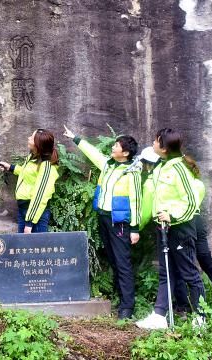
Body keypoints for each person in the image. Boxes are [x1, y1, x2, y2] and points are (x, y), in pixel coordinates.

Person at [63, 125, 141, 320]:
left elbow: (136, 200)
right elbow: (94, 154)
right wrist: (76, 138)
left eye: (116, 145)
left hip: (120, 222)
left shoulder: (132, 173)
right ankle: (120, 297)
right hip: (104, 218)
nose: (112, 147)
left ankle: (127, 307)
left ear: (125, 152)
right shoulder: (108, 164)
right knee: (114, 259)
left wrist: (135, 228)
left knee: (122, 262)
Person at [136, 128, 206, 330]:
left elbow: (192, 202)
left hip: (180, 229)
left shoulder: (180, 169)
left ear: (164, 148)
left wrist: (173, 216)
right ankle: (159, 316)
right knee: (165, 273)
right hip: (163, 228)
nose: (152, 143)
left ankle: (200, 317)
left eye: (156, 141)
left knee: (189, 273)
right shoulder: (159, 168)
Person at [173, 178, 212, 320]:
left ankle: (183, 308)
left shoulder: (177, 181)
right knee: (207, 262)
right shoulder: (197, 183)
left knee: (180, 265)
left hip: (184, 222)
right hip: (198, 220)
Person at [0, 129, 59, 233]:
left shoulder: (47, 167)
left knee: (35, 247)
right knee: (23, 247)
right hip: (24, 211)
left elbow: (40, 196)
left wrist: (29, 223)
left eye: (32, 137)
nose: (28, 138)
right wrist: (11, 168)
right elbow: (28, 174)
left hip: (36, 216)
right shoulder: (33, 157)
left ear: (38, 144)